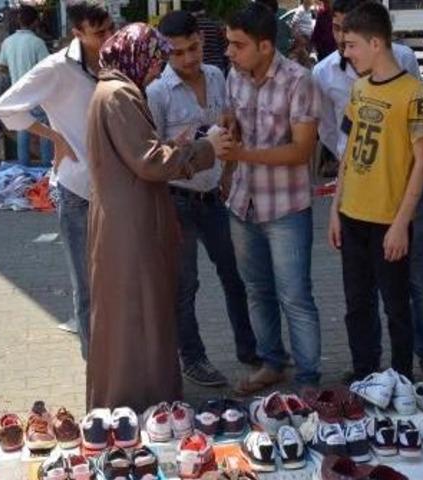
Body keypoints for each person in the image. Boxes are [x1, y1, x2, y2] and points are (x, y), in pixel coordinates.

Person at [85, 22, 230, 411]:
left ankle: (133, 405)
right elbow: (149, 163)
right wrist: (205, 148)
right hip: (130, 226)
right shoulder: (119, 95)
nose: (155, 70)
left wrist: (172, 146)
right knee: (138, 314)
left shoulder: (114, 91)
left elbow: (138, 154)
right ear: (135, 56)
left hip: (125, 220)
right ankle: (141, 407)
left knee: (135, 312)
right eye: (154, 60)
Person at [313, 0, 423, 384]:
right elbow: (349, 153)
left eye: (351, 44)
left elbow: (421, 163)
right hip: (353, 213)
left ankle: (401, 380)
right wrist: (336, 209)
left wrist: (402, 223)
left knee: (396, 306)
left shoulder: (412, 92)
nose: (345, 51)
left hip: (389, 219)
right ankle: (365, 375)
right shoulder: (358, 89)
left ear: (375, 43)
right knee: (357, 305)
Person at [0, 1, 115, 358]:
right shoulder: (56, 68)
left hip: (117, 190)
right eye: (99, 33)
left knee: (119, 282)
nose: (108, 38)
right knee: (87, 286)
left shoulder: (115, 62)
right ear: (77, 32)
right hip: (77, 187)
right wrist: (54, 136)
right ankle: (97, 368)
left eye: (110, 28)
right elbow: (6, 107)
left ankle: (119, 361)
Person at [146, 10, 259, 388]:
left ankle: (250, 349)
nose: (189, 59)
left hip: (214, 198)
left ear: (201, 41)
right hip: (177, 201)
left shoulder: (215, 75)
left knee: (235, 275)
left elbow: (228, 127)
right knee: (185, 285)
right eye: (178, 53)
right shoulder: (157, 93)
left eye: (193, 48)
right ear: (165, 53)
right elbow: (153, 156)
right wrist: (179, 146)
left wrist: (228, 176)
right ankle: (193, 358)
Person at [221, 2, 323, 394]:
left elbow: (301, 151)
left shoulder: (299, 81)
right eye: (229, 43)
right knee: (257, 290)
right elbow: (232, 119)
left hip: (286, 208)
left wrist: (241, 155)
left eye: (238, 44)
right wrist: (229, 130)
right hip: (242, 204)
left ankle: (309, 378)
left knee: (295, 295)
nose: (229, 51)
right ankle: (272, 363)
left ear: (265, 46)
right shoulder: (236, 74)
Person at [0, 5, 53, 166]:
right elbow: (48, 67)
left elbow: (2, 67)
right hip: (37, 93)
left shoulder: (7, 42)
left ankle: (23, 167)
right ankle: (46, 167)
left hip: (18, 92)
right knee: (44, 130)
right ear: (36, 21)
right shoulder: (37, 42)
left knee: (23, 128)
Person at [186, 0, 228, 73]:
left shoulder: (189, 28)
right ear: (204, 11)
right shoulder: (215, 26)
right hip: (217, 65)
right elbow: (223, 47)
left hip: (199, 67)